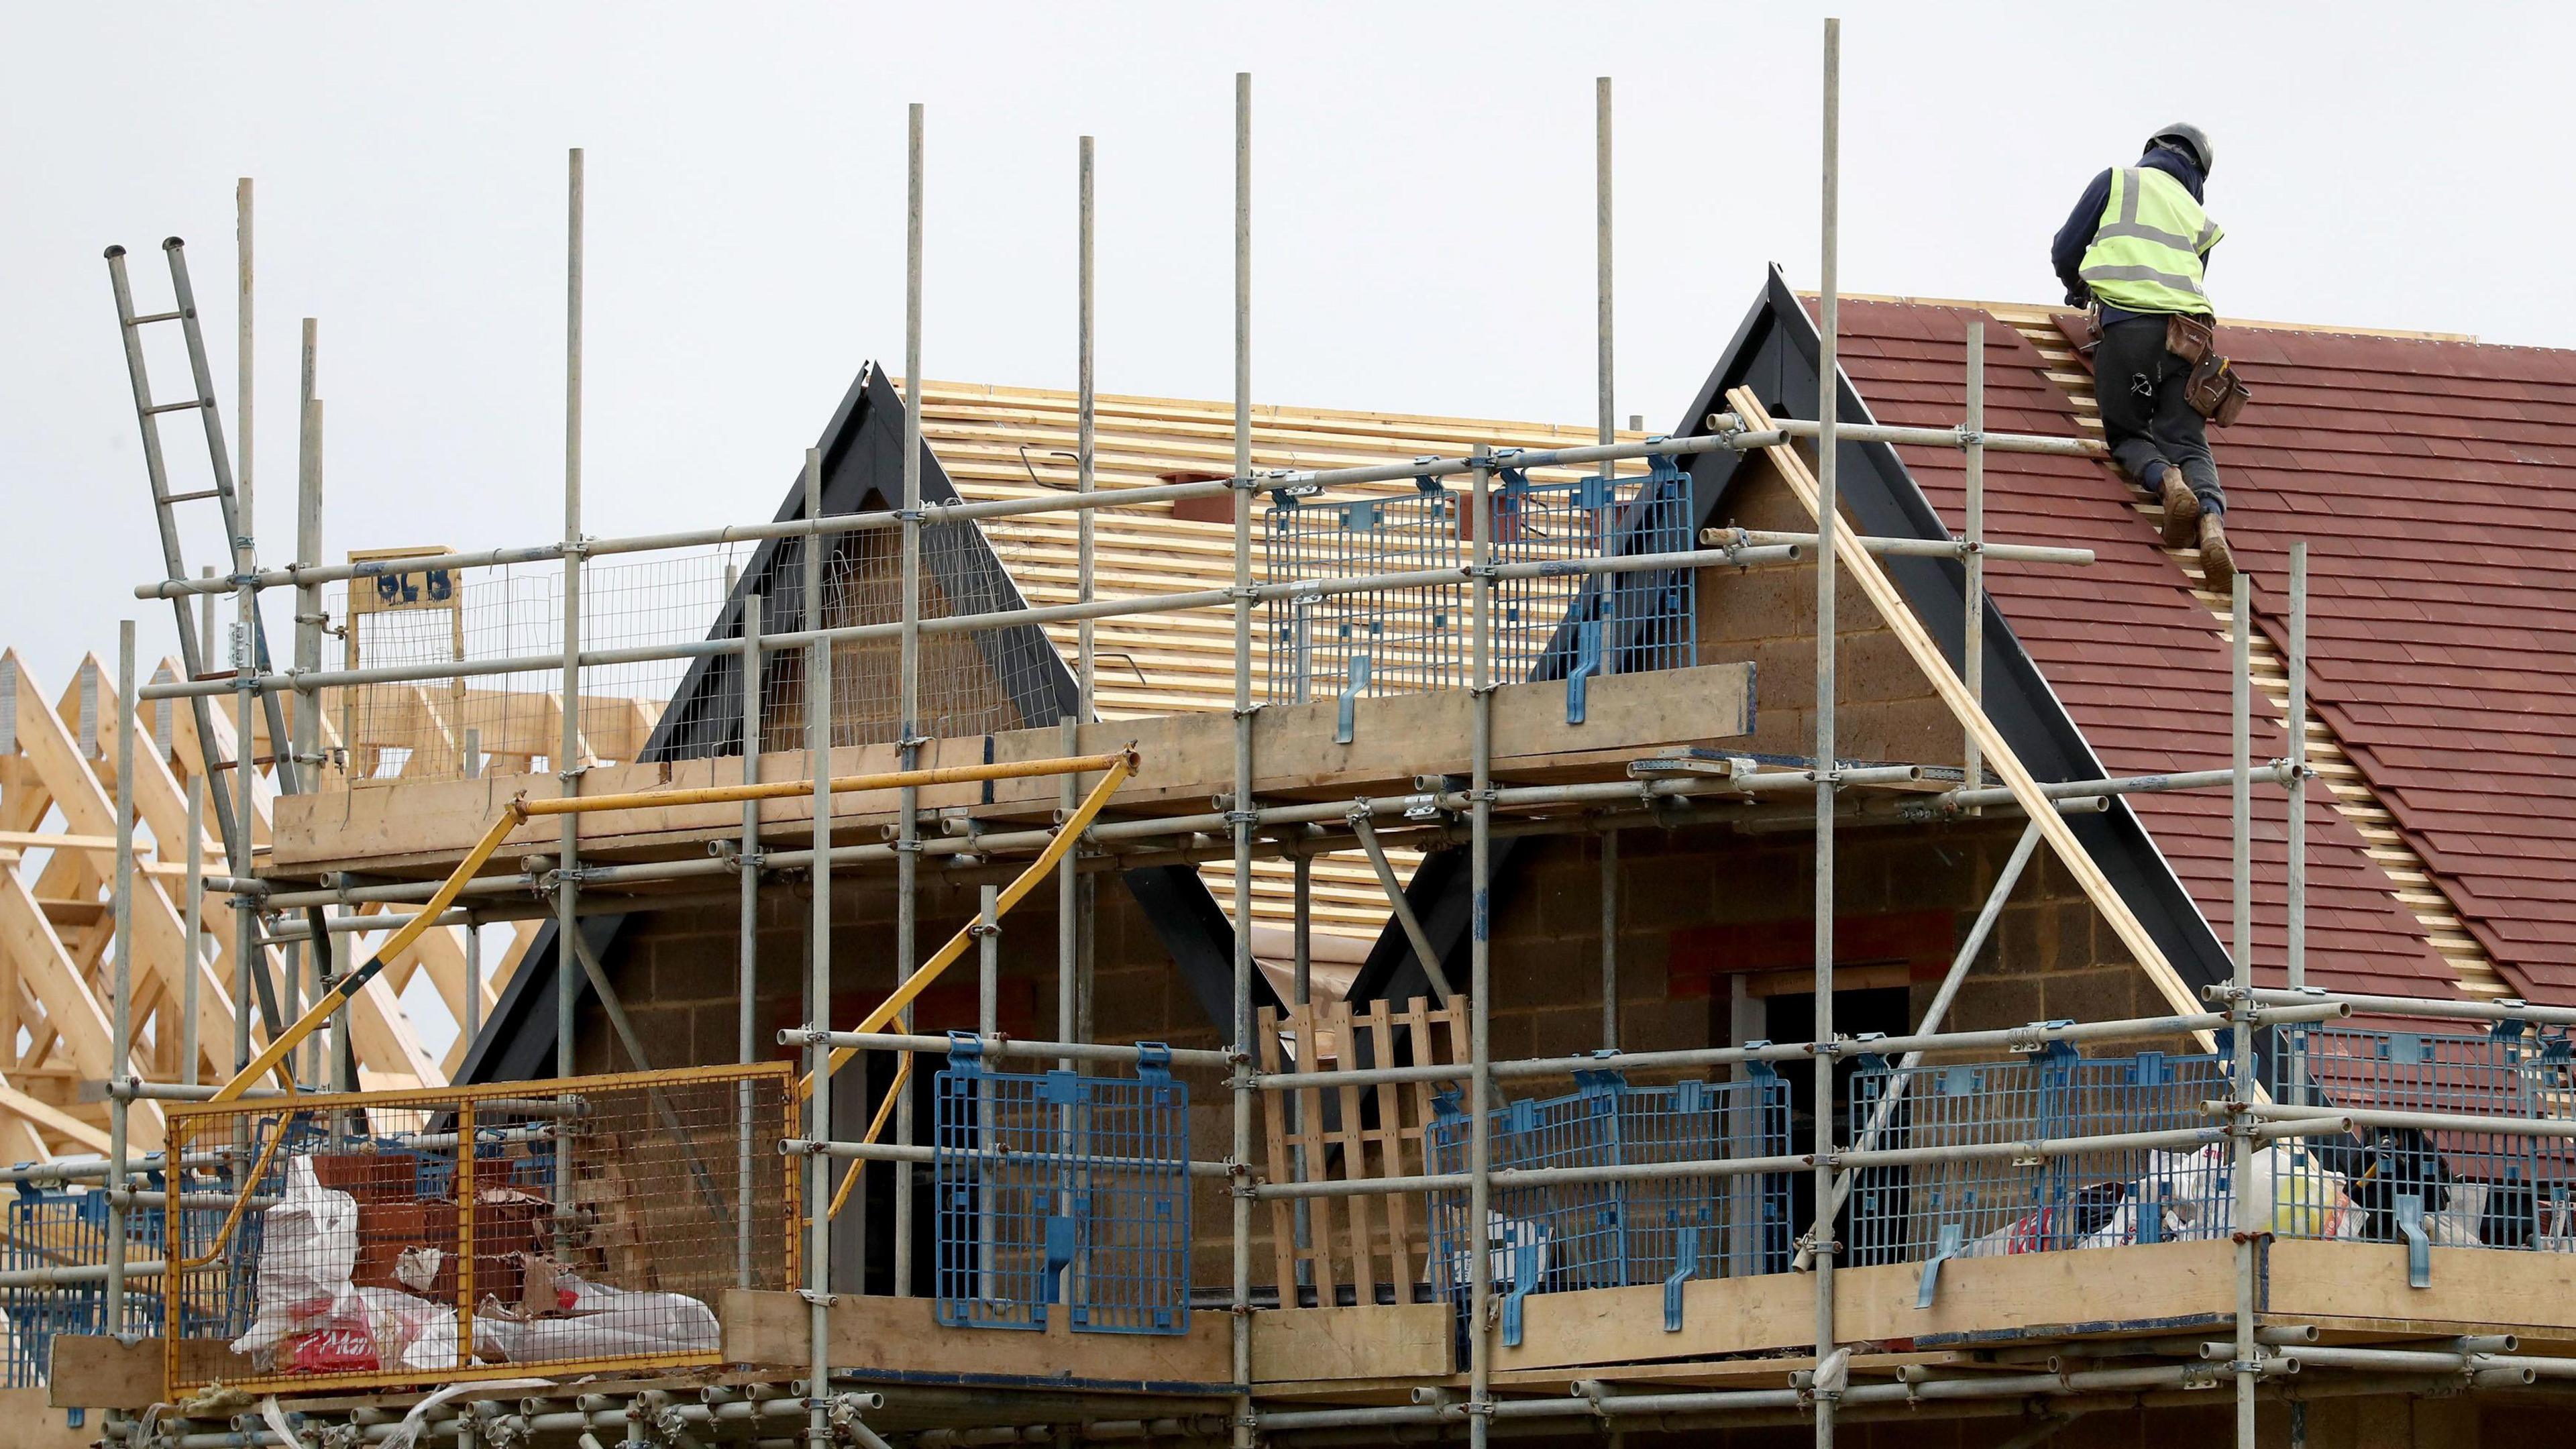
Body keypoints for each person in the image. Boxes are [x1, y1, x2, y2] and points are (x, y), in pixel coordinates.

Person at [2052, 122, 2236, 592]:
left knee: (2128, 429)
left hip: (2130, 326)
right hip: (2191, 336)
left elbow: (2065, 249)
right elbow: (2190, 282)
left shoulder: (2117, 181)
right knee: (2187, 435)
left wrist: (2079, 288)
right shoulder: (2200, 218)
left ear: (2152, 151)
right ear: (2197, 173)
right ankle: (2212, 523)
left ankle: (2168, 483)